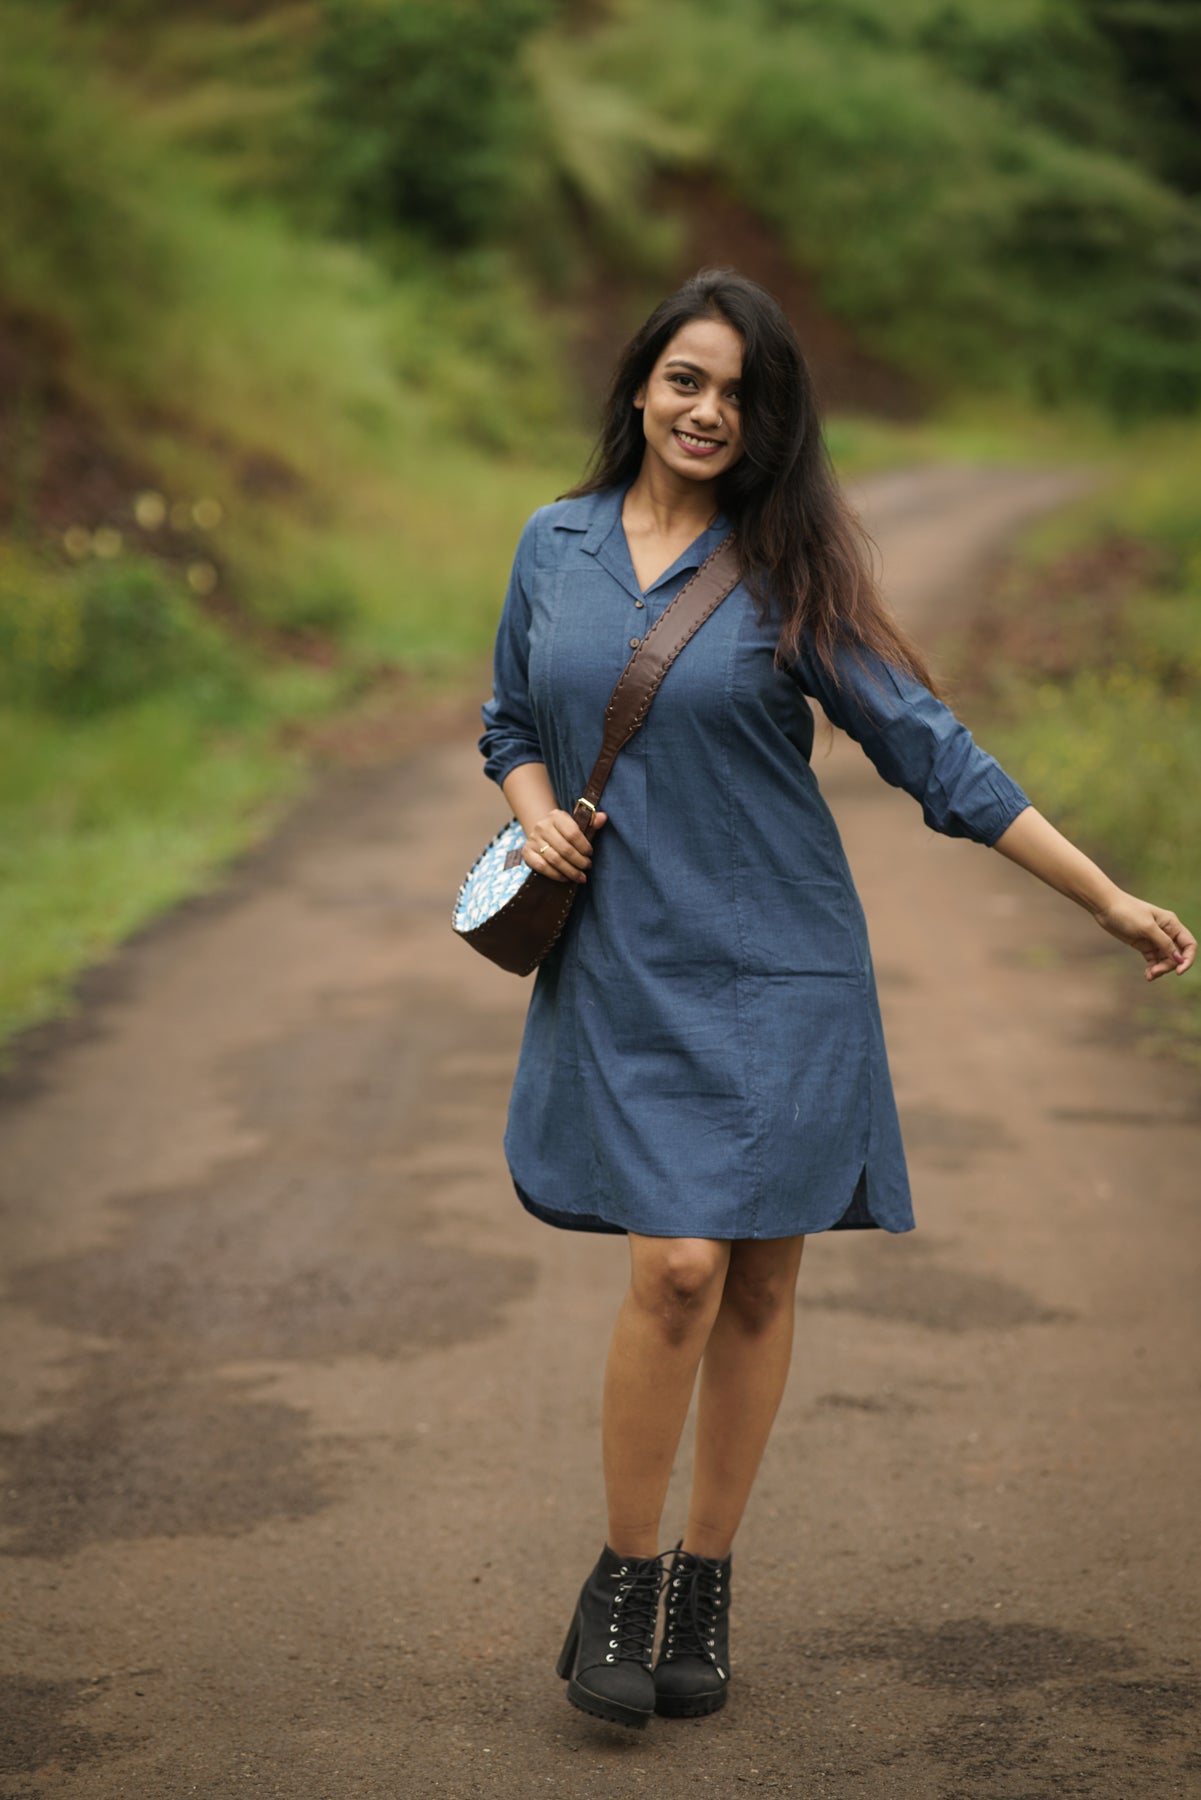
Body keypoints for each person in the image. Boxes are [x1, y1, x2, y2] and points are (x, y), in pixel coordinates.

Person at [476, 269, 1195, 1730]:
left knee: (757, 1276)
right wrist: (535, 806)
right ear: (637, 386)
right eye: (686, 379)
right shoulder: (551, 545)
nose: (706, 410)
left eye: (738, 394)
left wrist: (1106, 895)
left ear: (770, 422)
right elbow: (507, 718)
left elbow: (933, 752)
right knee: (672, 1264)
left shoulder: (786, 573)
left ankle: (705, 1583)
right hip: (623, 958)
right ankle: (621, 1578)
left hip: (783, 965)